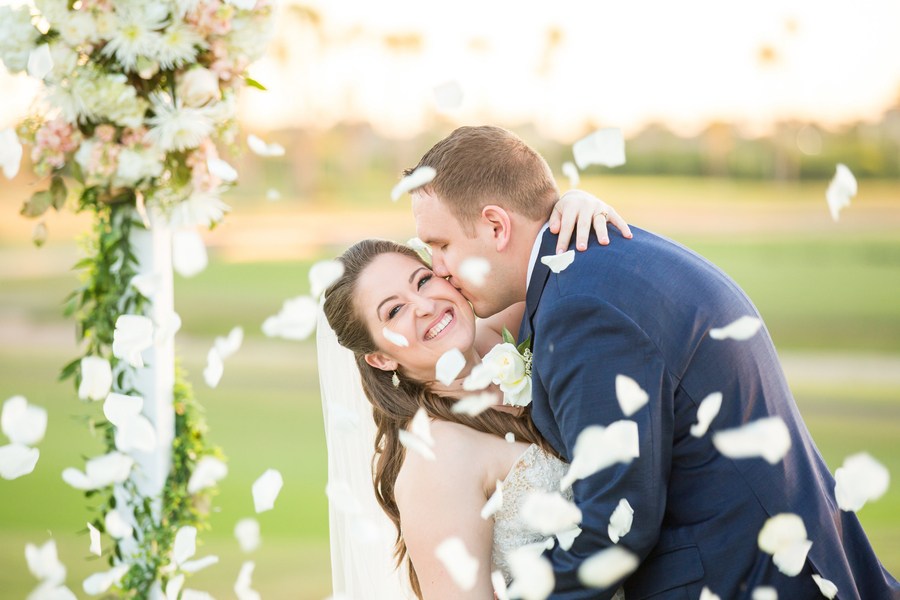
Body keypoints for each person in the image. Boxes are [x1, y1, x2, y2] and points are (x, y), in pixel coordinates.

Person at [403, 125, 900, 599]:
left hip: (741, 578)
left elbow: (617, 523)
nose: (437, 269)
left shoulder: (581, 309)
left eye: (440, 245)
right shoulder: (600, 263)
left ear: (495, 224)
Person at [319, 193, 631, 599]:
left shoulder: (517, 326)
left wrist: (578, 205)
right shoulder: (436, 462)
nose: (425, 305)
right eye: (394, 311)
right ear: (379, 358)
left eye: (423, 280)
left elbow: (570, 267)